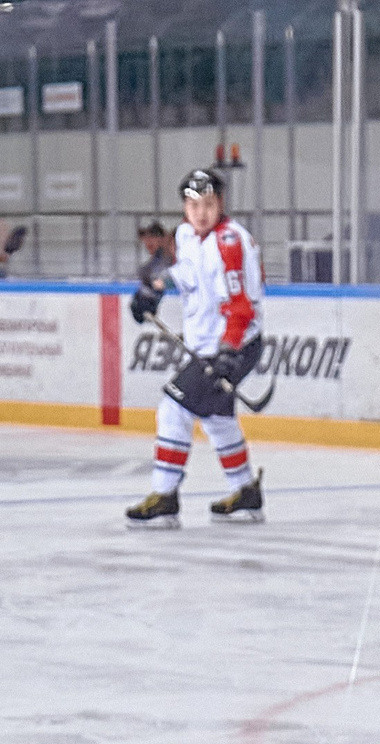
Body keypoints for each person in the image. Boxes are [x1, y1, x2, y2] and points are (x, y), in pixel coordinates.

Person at [124, 167, 265, 527]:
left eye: (208, 204)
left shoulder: (231, 243)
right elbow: (185, 274)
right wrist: (153, 290)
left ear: (221, 204)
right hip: (208, 347)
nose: (200, 212)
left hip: (234, 346)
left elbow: (241, 306)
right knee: (217, 419)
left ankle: (164, 497)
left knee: (174, 408)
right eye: (193, 204)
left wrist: (229, 351)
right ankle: (246, 494)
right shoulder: (186, 235)